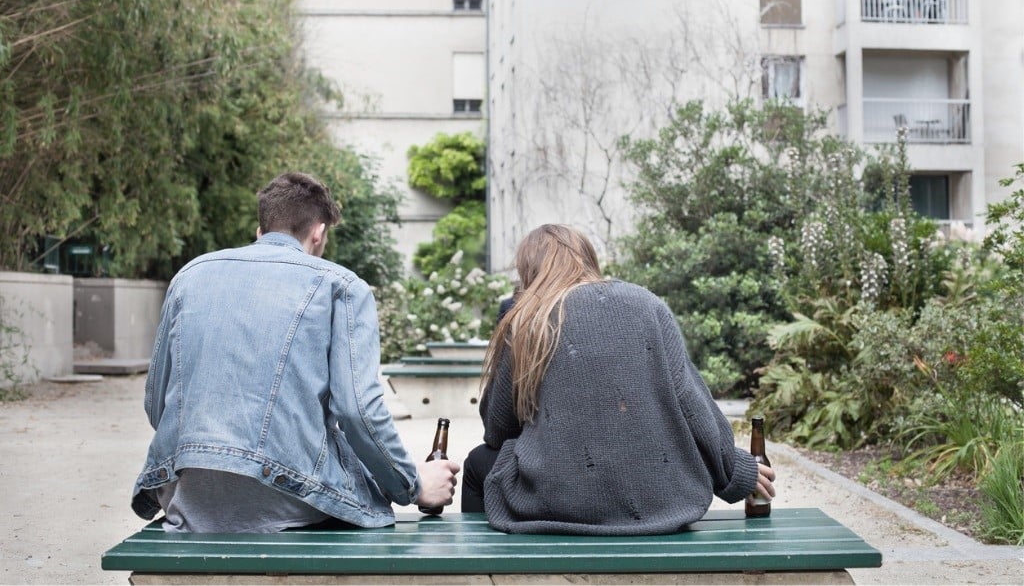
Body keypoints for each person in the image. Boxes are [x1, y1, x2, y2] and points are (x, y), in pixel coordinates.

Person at [131, 172, 459, 532]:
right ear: (318, 232)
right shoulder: (342, 287)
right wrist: (414, 485)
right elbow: (358, 411)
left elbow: (156, 405)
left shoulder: (189, 276)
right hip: (290, 500)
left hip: (191, 497)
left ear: (260, 231)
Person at [462, 224, 775, 535]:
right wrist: (734, 472)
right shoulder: (647, 303)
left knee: (478, 463)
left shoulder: (526, 319)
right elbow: (691, 402)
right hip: (662, 504)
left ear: (529, 270)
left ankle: (482, 570)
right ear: (587, 259)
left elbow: (497, 430)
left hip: (558, 501)